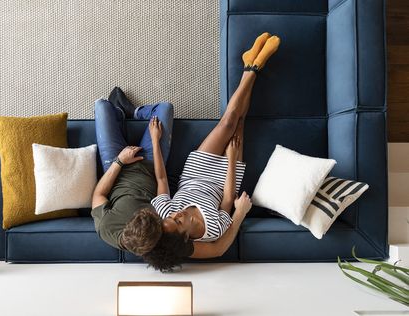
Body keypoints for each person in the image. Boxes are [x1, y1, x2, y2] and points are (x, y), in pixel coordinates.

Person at [144, 32, 281, 271]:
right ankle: (249, 63)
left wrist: (155, 141)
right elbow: (228, 199)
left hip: (196, 172)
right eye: (177, 221)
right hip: (224, 179)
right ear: (186, 236)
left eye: (170, 217)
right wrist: (230, 160)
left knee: (227, 122)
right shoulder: (213, 230)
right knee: (240, 123)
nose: (176, 213)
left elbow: (162, 178)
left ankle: (254, 67)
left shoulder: (165, 211)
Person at [90, 87, 173, 256]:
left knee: (101, 105)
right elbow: (162, 179)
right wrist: (155, 140)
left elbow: (98, 193)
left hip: (115, 163)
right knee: (165, 108)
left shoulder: (107, 227)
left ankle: (120, 113)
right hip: (150, 162)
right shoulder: (159, 224)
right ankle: (134, 112)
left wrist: (120, 161)